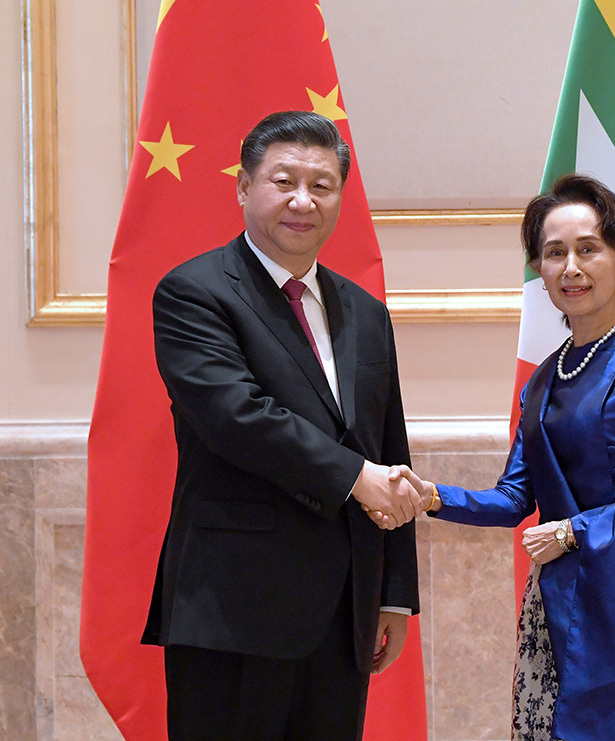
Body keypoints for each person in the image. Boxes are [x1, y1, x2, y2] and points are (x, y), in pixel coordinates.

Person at [387, 174, 615, 740]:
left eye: (588, 249)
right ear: (539, 270)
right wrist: (432, 497)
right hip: (555, 593)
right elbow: (514, 500)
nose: (571, 267)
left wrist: (573, 532)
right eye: (554, 253)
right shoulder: (540, 382)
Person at [141, 110, 422, 741]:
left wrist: (394, 592)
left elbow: (388, 447)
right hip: (233, 606)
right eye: (284, 181)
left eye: (322, 186)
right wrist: (355, 478)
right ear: (244, 187)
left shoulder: (365, 312)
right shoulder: (193, 293)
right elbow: (236, 417)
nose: (303, 201)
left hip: (344, 613)